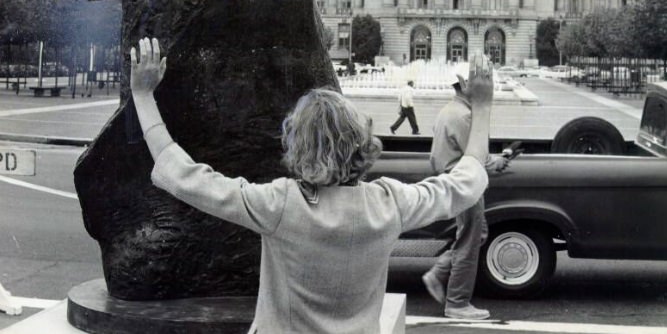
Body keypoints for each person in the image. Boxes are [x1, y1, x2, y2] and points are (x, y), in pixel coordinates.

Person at [131, 38, 495, 334]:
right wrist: (482, 105)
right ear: (361, 141)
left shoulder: (279, 204)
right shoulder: (390, 203)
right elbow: (468, 178)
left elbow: (183, 175)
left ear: (296, 145)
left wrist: (143, 96)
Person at [421, 61, 510, 321]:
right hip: (463, 185)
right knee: (469, 242)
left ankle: (438, 273)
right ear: (463, 84)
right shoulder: (465, 116)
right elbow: (477, 158)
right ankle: (457, 303)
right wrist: (499, 161)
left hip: (452, 181)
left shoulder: (450, 110)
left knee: (476, 234)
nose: (481, 84)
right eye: (474, 80)